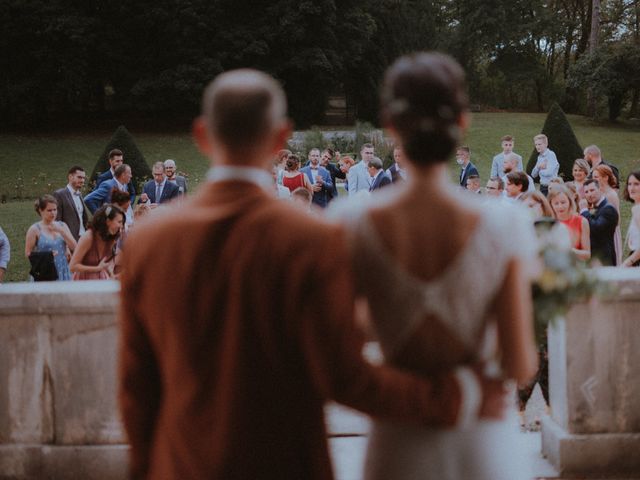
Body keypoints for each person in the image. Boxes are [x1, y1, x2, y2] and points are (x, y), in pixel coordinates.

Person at [118, 68, 510, 480]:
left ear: (201, 135)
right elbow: (345, 376)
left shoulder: (148, 241)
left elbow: (136, 387)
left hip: (181, 464)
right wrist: (452, 398)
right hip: (287, 463)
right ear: (281, 137)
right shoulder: (313, 238)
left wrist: (147, 467)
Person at [333, 52, 537, 480]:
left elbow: (337, 354)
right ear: (462, 123)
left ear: (391, 126)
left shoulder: (351, 223)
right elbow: (520, 361)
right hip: (481, 439)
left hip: (397, 442)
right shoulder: (504, 222)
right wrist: (463, 389)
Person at [25, 195, 77, 281]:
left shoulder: (62, 225)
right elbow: (27, 253)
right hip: (46, 272)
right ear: (40, 211)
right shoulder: (34, 229)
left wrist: (62, 232)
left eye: (55, 209)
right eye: (49, 210)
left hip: (63, 270)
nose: (53, 213)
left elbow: (75, 247)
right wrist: (46, 255)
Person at [69, 204, 124, 280]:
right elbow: (72, 266)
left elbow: (106, 263)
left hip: (101, 280)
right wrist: (97, 269)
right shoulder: (88, 237)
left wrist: (112, 275)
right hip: (83, 282)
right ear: (108, 221)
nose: (121, 226)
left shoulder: (111, 238)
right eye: (119, 222)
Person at [579, 179, 619, 266]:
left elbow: (596, 229)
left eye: (592, 190)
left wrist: (584, 211)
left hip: (605, 260)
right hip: (593, 260)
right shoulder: (594, 208)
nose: (589, 194)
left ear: (600, 189)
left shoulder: (609, 209)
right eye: (586, 192)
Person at [548, 185, 591, 261]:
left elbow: (587, 254)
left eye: (563, 202)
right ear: (550, 204)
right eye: (556, 203)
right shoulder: (548, 223)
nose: (560, 206)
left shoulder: (582, 221)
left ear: (570, 202)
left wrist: (569, 251)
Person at [592, 164, 622, 265]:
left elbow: (617, 220)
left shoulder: (611, 195)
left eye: (596, 177)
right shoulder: (599, 192)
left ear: (605, 178)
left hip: (610, 233)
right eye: (593, 177)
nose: (593, 180)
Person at [52, 165, 89, 241]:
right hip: (69, 240)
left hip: (83, 238)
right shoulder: (59, 194)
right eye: (79, 177)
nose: (82, 180)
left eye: (83, 178)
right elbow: (56, 221)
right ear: (70, 177)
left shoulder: (79, 195)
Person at [621, 170, 640, 267]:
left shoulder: (638, 210)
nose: (631, 188)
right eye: (629, 184)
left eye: (636, 184)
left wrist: (628, 262)